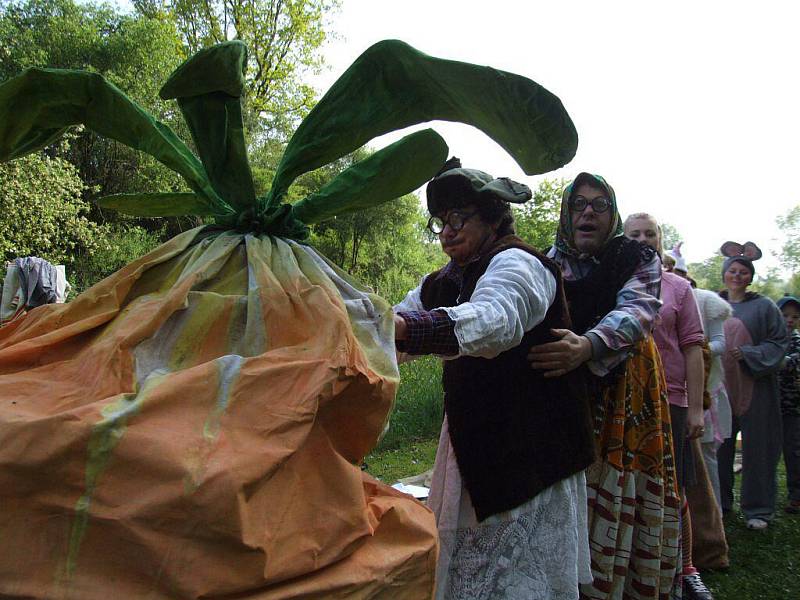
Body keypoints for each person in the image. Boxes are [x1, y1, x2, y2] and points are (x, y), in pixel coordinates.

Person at [394, 158, 596, 600]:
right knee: (467, 567)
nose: (447, 231)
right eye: (440, 222)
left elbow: (494, 322)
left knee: (517, 574)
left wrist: (405, 330)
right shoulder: (442, 282)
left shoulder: (519, 264)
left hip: (532, 445)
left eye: (458, 218)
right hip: (478, 439)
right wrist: (358, 329)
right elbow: (397, 323)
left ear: (491, 218)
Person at [528, 173, 679, 600]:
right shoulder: (546, 262)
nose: (588, 213)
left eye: (599, 205)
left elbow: (638, 309)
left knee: (616, 482)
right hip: (562, 388)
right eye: (579, 204)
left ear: (613, 214)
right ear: (566, 213)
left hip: (625, 393)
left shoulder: (636, 256)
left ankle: (619, 581)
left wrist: (588, 346)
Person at [624, 214, 716, 599]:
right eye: (634, 234)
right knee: (630, 486)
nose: (643, 239)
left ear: (661, 240)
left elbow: (694, 347)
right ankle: (631, 565)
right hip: (626, 402)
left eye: (650, 233)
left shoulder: (679, 289)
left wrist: (696, 409)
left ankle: (687, 569)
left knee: (674, 488)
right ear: (623, 240)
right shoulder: (617, 285)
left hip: (673, 401)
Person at [716, 241, 789, 530]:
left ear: (750, 276)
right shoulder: (712, 304)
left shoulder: (765, 307)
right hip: (720, 388)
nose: (737, 275)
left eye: (743, 272)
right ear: (725, 273)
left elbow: (778, 342)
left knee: (759, 447)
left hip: (755, 387)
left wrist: (748, 354)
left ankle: (758, 509)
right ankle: (720, 502)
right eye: (732, 270)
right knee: (719, 446)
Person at [776, 294, 800, 514]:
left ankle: (796, 495)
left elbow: (792, 363)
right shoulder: (772, 339)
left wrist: (769, 359)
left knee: (792, 451)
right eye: (785, 315)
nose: (790, 320)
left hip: (792, 407)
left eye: (794, 317)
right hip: (770, 405)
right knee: (770, 452)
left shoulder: (797, 341)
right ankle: (768, 493)